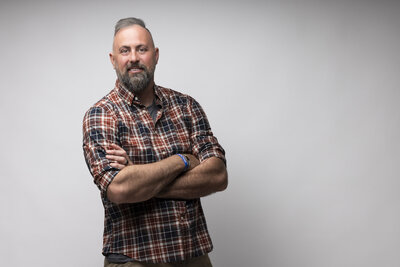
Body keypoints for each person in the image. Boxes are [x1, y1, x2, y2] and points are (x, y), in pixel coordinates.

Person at [82, 17, 228, 267]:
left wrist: (140, 179)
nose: (134, 58)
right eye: (124, 50)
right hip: (133, 259)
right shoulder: (101, 115)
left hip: (192, 255)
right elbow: (120, 189)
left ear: (156, 55)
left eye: (142, 49)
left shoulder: (187, 106)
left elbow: (217, 176)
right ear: (113, 59)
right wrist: (181, 160)